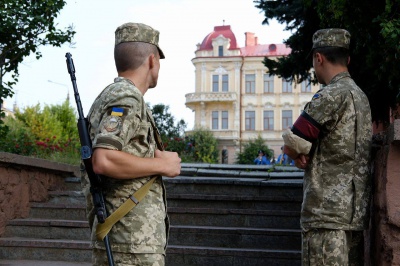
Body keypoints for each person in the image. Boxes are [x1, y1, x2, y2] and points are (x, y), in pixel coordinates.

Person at [82, 22, 181, 266]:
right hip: (131, 244)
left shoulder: (113, 95)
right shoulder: (126, 97)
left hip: (126, 240)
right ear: (151, 60)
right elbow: (104, 159)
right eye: (159, 60)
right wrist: (162, 165)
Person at [282, 28, 372, 265]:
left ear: (318, 58)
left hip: (326, 216)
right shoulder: (361, 97)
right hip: (353, 216)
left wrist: (297, 151)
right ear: (348, 60)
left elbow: (294, 143)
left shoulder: (330, 96)